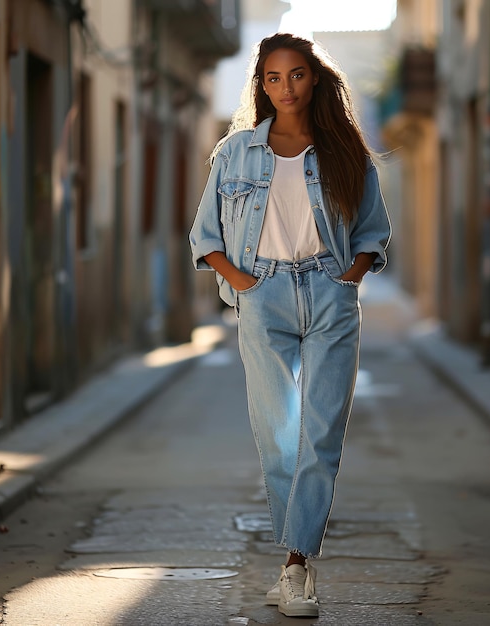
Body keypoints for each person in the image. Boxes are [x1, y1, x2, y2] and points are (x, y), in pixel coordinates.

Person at [189, 32, 391, 618]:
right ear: (262, 85)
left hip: (329, 292)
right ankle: (293, 561)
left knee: (321, 434)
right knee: (278, 434)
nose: (286, 88)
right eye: (274, 78)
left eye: (297, 75)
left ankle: (297, 564)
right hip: (264, 294)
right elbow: (206, 237)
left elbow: (374, 231)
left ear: (315, 78)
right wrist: (245, 285)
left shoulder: (343, 149)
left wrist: (347, 277)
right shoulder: (234, 154)